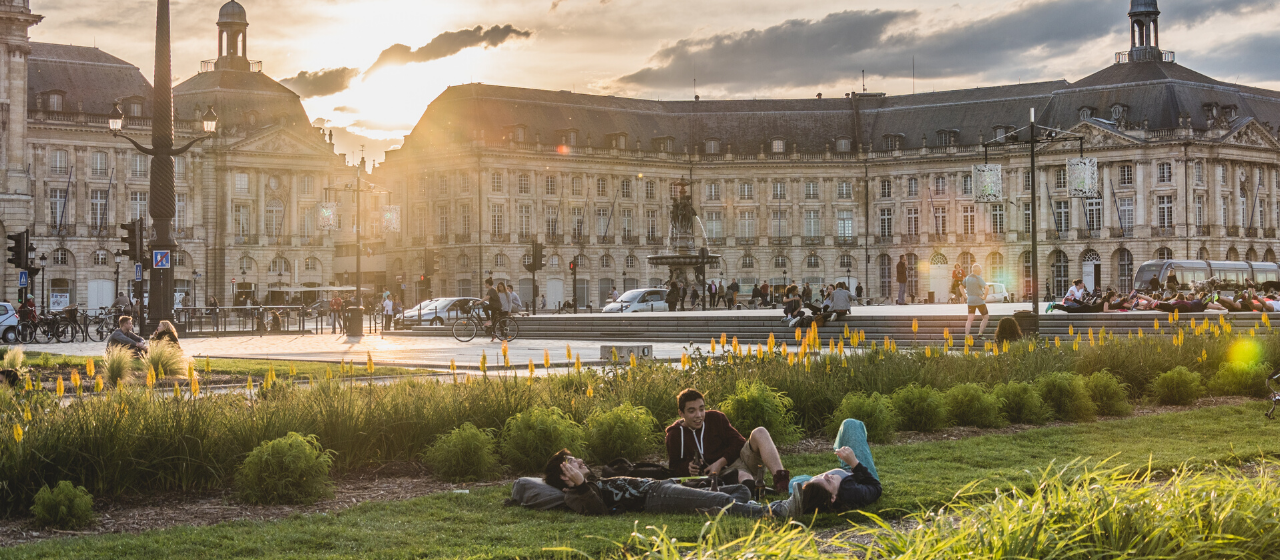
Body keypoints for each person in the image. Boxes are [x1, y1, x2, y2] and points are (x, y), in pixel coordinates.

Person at [543, 450, 767, 517]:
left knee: (737, 489)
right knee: (721, 498)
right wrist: (580, 484)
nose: (580, 460)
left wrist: (586, 481)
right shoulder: (575, 494)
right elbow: (597, 511)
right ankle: (773, 512)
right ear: (565, 475)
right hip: (655, 496)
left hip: (662, 486)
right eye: (572, 462)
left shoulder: (593, 482)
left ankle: (714, 510)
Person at [666, 389, 791, 494]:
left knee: (760, 431)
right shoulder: (674, 435)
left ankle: (781, 481)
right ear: (681, 413)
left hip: (741, 459)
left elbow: (739, 442)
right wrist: (687, 467)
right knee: (742, 477)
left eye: (702, 409)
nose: (698, 415)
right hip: (724, 473)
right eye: (692, 411)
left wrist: (720, 462)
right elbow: (674, 467)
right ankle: (755, 487)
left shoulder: (716, 418)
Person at [794, 419, 882, 515]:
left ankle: (797, 497)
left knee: (796, 481)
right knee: (850, 424)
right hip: (863, 474)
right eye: (828, 481)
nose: (826, 475)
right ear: (833, 498)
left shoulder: (819, 491)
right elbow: (876, 488)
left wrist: (816, 483)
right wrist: (854, 463)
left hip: (845, 474)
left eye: (820, 476)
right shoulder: (851, 491)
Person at [963, 263, 991, 340]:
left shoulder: (967, 278)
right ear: (976, 270)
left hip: (970, 300)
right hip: (979, 300)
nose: (981, 271)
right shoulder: (978, 278)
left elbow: (960, 286)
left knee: (969, 319)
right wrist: (984, 297)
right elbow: (987, 288)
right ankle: (980, 334)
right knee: (985, 317)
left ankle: (967, 336)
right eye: (980, 269)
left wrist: (965, 296)